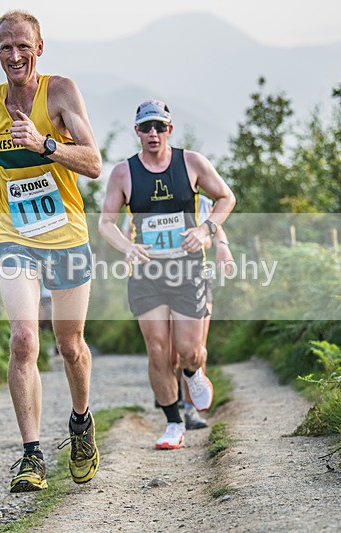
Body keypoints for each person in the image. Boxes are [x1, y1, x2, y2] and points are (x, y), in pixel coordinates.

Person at [0, 10, 102, 492]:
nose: (15, 55)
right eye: (6, 47)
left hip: (66, 236)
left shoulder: (60, 92)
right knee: (23, 339)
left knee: (70, 345)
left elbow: (94, 163)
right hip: (15, 236)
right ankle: (31, 455)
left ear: (39, 48)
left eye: (24, 46)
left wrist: (46, 145)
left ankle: (81, 423)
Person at [99, 100, 235, 450]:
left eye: (160, 126)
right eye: (146, 127)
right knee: (158, 350)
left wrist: (206, 230)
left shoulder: (191, 163)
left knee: (189, 350)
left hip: (187, 269)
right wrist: (126, 247)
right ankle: (173, 421)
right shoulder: (123, 173)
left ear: (170, 129)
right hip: (146, 272)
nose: (153, 133)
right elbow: (106, 223)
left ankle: (193, 372)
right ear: (137, 132)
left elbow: (225, 198)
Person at [174, 194, 234, 430]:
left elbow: (217, 229)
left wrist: (221, 246)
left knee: (196, 346)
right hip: (161, 279)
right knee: (172, 352)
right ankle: (173, 404)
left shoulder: (203, 202)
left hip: (198, 279)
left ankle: (191, 410)